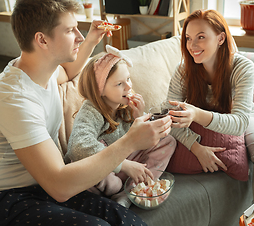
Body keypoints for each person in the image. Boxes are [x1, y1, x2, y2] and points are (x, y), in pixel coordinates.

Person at [0, 0, 172, 226]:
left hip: (42, 187)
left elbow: (70, 71)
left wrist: (93, 38)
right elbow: (59, 186)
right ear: (42, 40)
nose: (79, 36)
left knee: (130, 222)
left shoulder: (44, 71)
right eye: (70, 30)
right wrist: (130, 143)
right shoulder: (13, 99)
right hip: (3, 199)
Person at [165, 9, 254, 203]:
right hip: (199, 119)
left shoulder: (242, 67)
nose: (192, 45)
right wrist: (196, 147)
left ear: (220, 38)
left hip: (240, 115)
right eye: (188, 38)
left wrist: (196, 113)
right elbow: (170, 116)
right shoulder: (183, 70)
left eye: (201, 37)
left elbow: (240, 123)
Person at [65, 45, 176, 208]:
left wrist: (139, 116)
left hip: (127, 162)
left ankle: (132, 190)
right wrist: (123, 165)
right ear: (100, 89)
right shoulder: (91, 110)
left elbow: (141, 139)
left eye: (128, 79)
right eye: (119, 84)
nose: (129, 87)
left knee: (168, 142)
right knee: (97, 175)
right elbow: (78, 147)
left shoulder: (125, 106)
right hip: (104, 169)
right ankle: (116, 190)